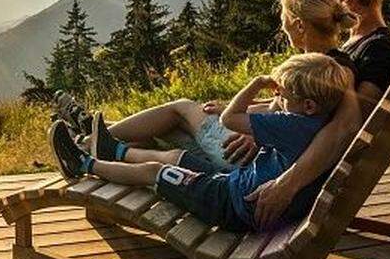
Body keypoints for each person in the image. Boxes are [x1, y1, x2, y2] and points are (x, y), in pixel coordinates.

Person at [69, 0, 358, 174]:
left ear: (298, 24)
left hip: (254, 158)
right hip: (260, 147)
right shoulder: (327, 64)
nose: (281, 26)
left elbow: (316, 125)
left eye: (284, 18)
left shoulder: (329, 69)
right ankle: (96, 136)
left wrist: (259, 137)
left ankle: (89, 141)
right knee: (171, 131)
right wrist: (239, 107)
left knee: (180, 108)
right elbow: (286, 105)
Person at [49, 53, 354, 232]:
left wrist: (257, 83)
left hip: (229, 203)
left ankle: (85, 163)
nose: (276, 98)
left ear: (308, 105)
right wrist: (280, 99)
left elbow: (230, 119)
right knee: (176, 157)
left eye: (281, 95)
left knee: (156, 170)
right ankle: (113, 149)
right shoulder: (318, 121)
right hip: (236, 184)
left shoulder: (291, 124)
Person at [241, 0, 390, 228]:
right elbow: (317, 106)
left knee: (182, 123)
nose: (322, 0)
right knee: (194, 117)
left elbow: (344, 125)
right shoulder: (356, 44)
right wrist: (257, 120)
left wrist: (286, 183)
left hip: (296, 169)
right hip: (284, 151)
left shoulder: (378, 51)